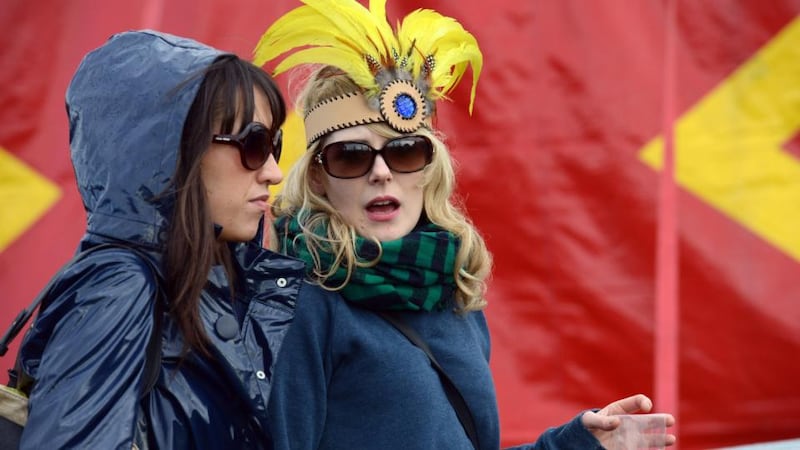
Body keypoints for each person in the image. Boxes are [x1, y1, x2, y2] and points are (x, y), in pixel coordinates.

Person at [254, 1, 677, 449]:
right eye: (351, 156)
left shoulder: (452, 291)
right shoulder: (300, 303)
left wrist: (577, 445)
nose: (381, 172)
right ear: (318, 176)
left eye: (404, 152)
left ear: (427, 168)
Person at [15, 30, 337, 449]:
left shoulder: (200, 284)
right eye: (254, 144)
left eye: (273, 144)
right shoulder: (120, 286)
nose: (274, 172)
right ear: (172, 151)